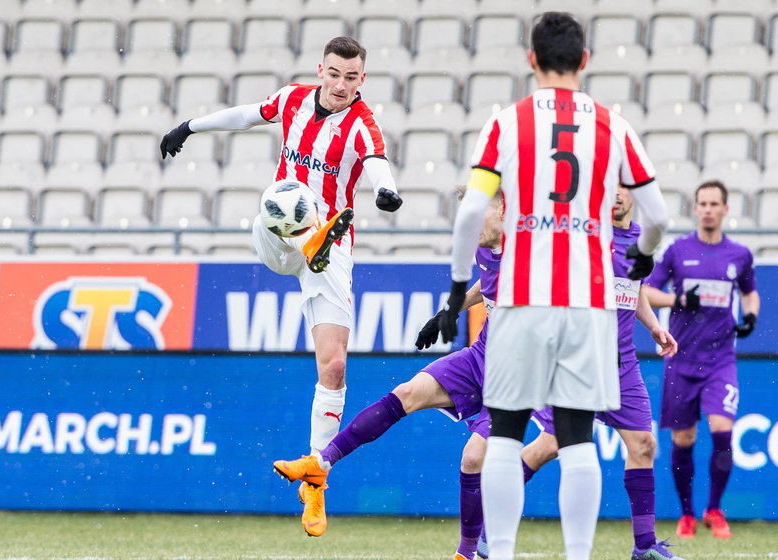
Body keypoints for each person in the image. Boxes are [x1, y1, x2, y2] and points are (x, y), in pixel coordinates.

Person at [439, 12, 668, 560]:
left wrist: (456, 287)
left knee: (505, 437)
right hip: (585, 305)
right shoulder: (612, 124)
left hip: (520, 300)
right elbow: (657, 216)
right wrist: (639, 257)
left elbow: (472, 210)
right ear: (584, 61)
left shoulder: (506, 122)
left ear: (531, 60)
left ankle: (503, 553)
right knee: (577, 439)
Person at [160, 36, 404, 537]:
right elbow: (247, 114)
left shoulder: (362, 125)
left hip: (331, 251)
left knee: (334, 365)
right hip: (278, 233)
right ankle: (308, 230)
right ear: (321, 70)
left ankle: (316, 477)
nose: (340, 85)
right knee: (287, 198)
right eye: (333, 74)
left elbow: (377, 162)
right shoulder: (293, 99)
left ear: (363, 80)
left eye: (351, 77)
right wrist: (189, 126)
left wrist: (386, 190)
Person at [273, 188, 503, 557]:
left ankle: (470, 552)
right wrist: (452, 309)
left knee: (475, 458)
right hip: (483, 355)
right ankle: (321, 463)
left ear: (504, 206)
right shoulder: (483, 244)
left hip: (520, 372)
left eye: (475, 215)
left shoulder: (532, 251)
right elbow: (491, 280)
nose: (468, 225)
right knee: (407, 393)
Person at [478, 185, 683, 560]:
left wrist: (653, 326)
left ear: (635, 194)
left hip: (622, 363)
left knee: (644, 445)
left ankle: (645, 547)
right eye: (612, 188)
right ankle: (490, 534)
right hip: (579, 358)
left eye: (625, 188)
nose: (618, 195)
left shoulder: (640, 239)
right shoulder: (583, 232)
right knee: (548, 447)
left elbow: (632, 287)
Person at [642, 180, 759, 540]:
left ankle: (714, 509)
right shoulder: (678, 251)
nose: (708, 209)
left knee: (723, 429)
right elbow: (646, 290)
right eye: (702, 203)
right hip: (681, 358)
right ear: (695, 208)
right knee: (684, 438)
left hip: (721, 359)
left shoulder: (739, 255)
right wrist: (677, 300)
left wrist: (751, 316)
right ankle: (688, 514)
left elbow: (749, 292)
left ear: (725, 209)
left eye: (714, 203)